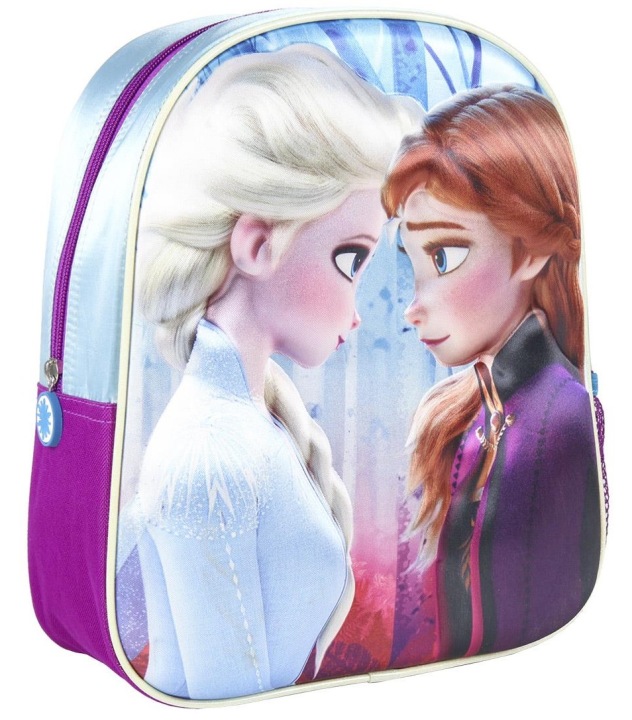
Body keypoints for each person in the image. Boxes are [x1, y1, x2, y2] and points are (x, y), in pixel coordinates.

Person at [124, 44, 423, 700]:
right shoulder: (211, 453)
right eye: (350, 260)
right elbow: (229, 697)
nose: (358, 310)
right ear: (258, 245)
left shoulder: (250, 421)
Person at [381, 84, 601, 661]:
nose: (413, 306)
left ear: (530, 250)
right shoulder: (475, 413)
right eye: (414, 262)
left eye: (444, 257)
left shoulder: (559, 417)